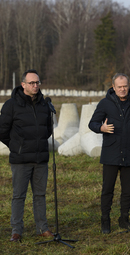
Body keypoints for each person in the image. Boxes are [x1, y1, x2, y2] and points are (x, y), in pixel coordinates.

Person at [89, 73, 130, 233]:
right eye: (119, 87)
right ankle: (105, 221)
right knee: (107, 189)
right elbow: (92, 123)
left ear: (128, 86)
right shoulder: (105, 104)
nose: (123, 89)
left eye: (125, 86)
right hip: (111, 153)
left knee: (128, 190)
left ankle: (124, 219)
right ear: (113, 87)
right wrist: (101, 128)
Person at [0, 69, 54, 242]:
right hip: (21, 159)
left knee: (40, 195)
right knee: (18, 196)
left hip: (40, 159)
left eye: (37, 82)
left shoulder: (44, 104)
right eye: (32, 83)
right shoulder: (11, 105)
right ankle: (16, 231)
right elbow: (2, 131)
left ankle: (42, 228)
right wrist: (18, 147)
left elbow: (48, 130)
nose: (35, 85)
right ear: (23, 85)